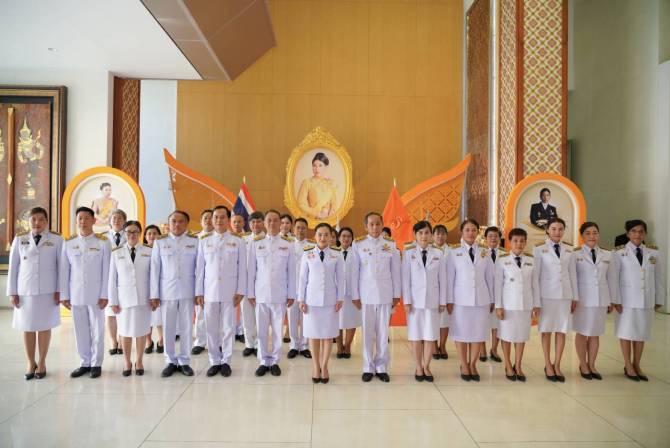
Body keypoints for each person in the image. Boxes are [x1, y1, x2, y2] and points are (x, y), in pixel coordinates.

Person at [7, 206, 63, 380]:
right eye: (33, 219)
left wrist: (60, 290)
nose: (37, 222)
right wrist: (12, 292)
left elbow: (61, 267)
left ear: (46, 221)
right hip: (25, 291)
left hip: (48, 291)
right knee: (27, 327)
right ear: (28, 221)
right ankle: (31, 362)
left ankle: (42, 362)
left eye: (40, 219)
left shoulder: (56, 239)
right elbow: (13, 268)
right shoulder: (20, 239)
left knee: (45, 326)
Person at [60, 206, 111, 379]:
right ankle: (85, 362)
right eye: (80, 218)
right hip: (76, 293)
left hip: (96, 294)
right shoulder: (69, 243)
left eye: (87, 218)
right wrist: (64, 295)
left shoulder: (103, 242)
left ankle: (96, 364)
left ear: (93, 220)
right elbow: (64, 271)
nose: (83, 221)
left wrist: (105, 294)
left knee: (98, 329)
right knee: (80, 330)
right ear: (76, 221)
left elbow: (107, 270)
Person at [195, 205, 246, 377]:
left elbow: (242, 268)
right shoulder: (204, 240)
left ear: (228, 219)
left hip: (230, 292)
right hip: (209, 291)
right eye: (215, 217)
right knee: (211, 328)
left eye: (222, 217)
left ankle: (226, 361)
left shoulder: (238, 241)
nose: (218, 220)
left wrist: (240, 290)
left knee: (228, 328)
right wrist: (199, 292)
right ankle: (214, 360)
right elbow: (200, 269)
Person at [612, 219, 665, 382]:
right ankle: (628, 365)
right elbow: (614, 279)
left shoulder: (654, 253)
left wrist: (659, 297)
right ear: (628, 234)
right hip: (626, 301)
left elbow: (658, 278)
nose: (637, 234)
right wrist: (616, 300)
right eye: (634, 231)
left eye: (641, 231)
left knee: (641, 333)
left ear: (645, 234)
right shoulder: (619, 253)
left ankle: (637, 364)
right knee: (626, 332)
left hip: (646, 300)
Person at [352, 212, 401, 383]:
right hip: (366, 295)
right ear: (365, 226)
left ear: (382, 224)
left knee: (382, 332)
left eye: (378, 224)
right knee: (367, 333)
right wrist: (355, 295)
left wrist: (396, 294)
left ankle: (381, 366)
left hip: (385, 294)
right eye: (371, 224)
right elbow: (354, 272)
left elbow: (396, 271)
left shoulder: (390, 244)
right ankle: (368, 367)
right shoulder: (358, 244)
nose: (375, 227)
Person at [247, 209, 296, 377]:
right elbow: (251, 271)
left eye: (276, 220)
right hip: (260, 294)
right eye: (269, 220)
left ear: (280, 223)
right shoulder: (256, 243)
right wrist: (250, 293)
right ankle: (263, 361)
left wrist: (291, 294)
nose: (272, 223)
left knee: (277, 330)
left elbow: (291, 272)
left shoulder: (288, 244)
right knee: (261, 330)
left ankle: (274, 361)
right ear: (264, 223)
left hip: (280, 294)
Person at [150, 210, 198, 377]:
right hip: (167, 291)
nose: (177, 224)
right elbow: (155, 269)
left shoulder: (195, 241)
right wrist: (154, 294)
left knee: (186, 327)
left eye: (180, 221)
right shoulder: (160, 242)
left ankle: (184, 360)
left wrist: (198, 292)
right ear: (168, 224)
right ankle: (170, 360)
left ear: (186, 223)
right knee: (168, 327)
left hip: (188, 290)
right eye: (173, 221)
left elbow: (199, 269)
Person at [446, 219, 494, 382]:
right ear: (462, 232)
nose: (471, 233)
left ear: (478, 232)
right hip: (460, 300)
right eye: (467, 230)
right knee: (461, 333)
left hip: (481, 299)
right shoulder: (454, 252)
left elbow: (490, 278)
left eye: (474, 230)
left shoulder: (485, 252)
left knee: (478, 333)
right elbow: (450, 278)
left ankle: (472, 364)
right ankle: (463, 364)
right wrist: (449, 300)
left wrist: (492, 299)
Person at [298, 223, 345, 383]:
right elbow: (302, 279)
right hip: (311, 301)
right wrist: (301, 299)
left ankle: (324, 366)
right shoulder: (307, 254)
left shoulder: (336, 254)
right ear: (315, 236)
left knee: (327, 335)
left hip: (330, 301)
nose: (323, 238)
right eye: (320, 234)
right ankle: (315, 366)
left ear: (331, 237)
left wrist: (340, 298)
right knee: (313, 335)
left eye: (326, 235)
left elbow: (341, 279)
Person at [534, 217, 578, 383]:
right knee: (546, 330)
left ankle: (557, 364)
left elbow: (572, 274)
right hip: (546, 296)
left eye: (560, 229)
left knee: (561, 330)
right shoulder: (539, 249)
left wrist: (575, 297)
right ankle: (548, 364)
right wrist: (536, 301)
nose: (557, 232)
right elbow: (536, 277)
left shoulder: (570, 249)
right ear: (547, 230)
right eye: (553, 229)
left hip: (565, 296)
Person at [402, 221, 447, 382]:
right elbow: (405, 279)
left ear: (431, 235)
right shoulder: (408, 253)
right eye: (420, 233)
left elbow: (443, 279)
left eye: (427, 232)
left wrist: (443, 301)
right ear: (415, 235)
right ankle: (418, 367)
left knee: (430, 335)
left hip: (432, 301)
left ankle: (426, 366)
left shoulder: (438, 253)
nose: (424, 236)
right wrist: (407, 301)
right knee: (415, 336)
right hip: (414, 302)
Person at [108, 221, 154, 376]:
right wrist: (113, 301)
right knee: (125, 331)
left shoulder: (149, 251)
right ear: (124, 233)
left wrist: (154, 297)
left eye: (135, 231)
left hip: (143, 298)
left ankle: (139, 361)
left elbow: (153, 277)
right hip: (124, 300)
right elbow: (112, 279)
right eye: (128, 232)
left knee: (142, 331)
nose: (132, 234)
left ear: (140, 233)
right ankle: (127, 362)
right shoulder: (116, 252)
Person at [494, 228, 540, 382]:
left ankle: (518, 365)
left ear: (525, 242)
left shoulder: (531, 260)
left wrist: (536, 305)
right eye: (515, 241)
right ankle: (508, 364)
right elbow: (498, 285)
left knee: (521, 336)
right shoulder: (502, 260)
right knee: (506, 336)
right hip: (508, 305)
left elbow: (535, 284)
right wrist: (498, 306)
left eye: (522, 241)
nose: (519, 244)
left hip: (525, 305)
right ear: (510, 242)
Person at [573, 222, 617, 380]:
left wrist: (612, 300)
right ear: (582, 236)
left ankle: (592, 364)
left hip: (601, 299)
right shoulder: (575, 254)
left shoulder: (608, 254)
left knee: (595, 333)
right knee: (582, 332)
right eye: (588, 233)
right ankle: (583, 364)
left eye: (595, 233)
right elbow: (572, 279)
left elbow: (611, 279)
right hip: (583, 300)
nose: (592, 236)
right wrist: (573, 298)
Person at [241, 211, 265, 356]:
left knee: (260, 317)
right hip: (245, 283)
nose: (256, 224)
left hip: (261, 284)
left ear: (263, 223)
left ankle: (258, 344)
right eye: (253, 222)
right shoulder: (242, 240)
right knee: (247, 315)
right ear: (249, 224)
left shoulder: (267, 240)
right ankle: (249, 344)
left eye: (258, 221)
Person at [288, 217, 311, 359]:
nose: (300, 230)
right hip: (291, 288)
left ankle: (304, 346)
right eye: (298, 228)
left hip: (307, 289)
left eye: (303, 228)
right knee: (292, 318)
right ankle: (293, 345)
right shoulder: (288, 245)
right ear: (293, 229)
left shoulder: (312, 246)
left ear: (306, 229)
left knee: (305, 318)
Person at [335, 227, 361, 358]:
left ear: (352, 239)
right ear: (339, 238)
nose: (346, 238)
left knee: (351, 320)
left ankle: (348, 346)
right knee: (337, 321)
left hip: (353, 294)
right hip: (337, 294)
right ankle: (339, 347)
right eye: (343, 236)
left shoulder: (357, 253)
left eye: (348, 236)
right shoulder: (333, 253)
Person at [481, 226, 504, 363]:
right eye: (490, 236)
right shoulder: (481, 253)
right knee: (482, 323)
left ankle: (494, 350)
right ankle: (482, 350)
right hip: (484, 295)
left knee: (497, 324)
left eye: (496, 236)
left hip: (500, 296)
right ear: (485, 238)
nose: (493, 238)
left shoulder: (505, 254)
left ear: (500, 238)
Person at [105, 209, 127, 356]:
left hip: (125, 278)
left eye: (120, 218)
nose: (117, 221)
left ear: (124, 221)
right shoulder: (103, 238)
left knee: (123, 311)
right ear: (110, 221)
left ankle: (121, 340)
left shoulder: (130, 235)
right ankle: (113, 341)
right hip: (108, 277)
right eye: (114, 218)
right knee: (110, 312)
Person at [192, 209, 213, 355]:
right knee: (199, 312)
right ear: (201, 221)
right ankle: (200, 341)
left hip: (214, 282)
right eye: (205, 218)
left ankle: (216, 342)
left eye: (211, 218)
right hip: (198, 280)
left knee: (216, 314)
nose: (208, 220)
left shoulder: (220, 237)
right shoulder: (194, 239)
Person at [297, 152, 337, 220]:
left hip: (328, 220)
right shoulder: (307, 182)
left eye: (320, 165)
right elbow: (301, 204)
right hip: (313, 219)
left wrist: (329, 215)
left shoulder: (330, 183)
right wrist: (317, 214)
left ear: (325, 167)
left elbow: (333, 204)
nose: (317, 169)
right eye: (314, 165)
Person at [143, 224, 164, 354]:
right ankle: (148, 341)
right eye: (149, 234)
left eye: (155, 233)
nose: (152, 236)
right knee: (147, 316)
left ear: (159, 235)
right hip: (145, 287)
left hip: (160, 286)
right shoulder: (141, 250)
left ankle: (161, 340)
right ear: (145, 236)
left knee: (159, 316)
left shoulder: (163, 248)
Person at [432, 224, 451, 360]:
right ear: (433, 236)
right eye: (437, 234)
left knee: (445, 320)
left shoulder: (453, 251)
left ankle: (442, 346)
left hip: (447, 290)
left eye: (443, 233)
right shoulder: (428, 250)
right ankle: (433, 346)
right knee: (432, 320)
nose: (440, 236)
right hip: (432, 290)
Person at [230, 213, 248, 342]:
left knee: (244, 307)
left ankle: (241, 331)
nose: (237, 224)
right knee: (230, 306)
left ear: (244, 223)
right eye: (234, 222)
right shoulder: (227, 237)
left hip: (244, 276)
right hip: (230, 277)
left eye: (239, 221)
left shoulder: (250, 238)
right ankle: (231, 331)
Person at [280, 213, 294, 343]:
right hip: (277, 280)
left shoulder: (294, 241)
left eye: (287, 223)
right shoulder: (272, 238)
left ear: (291, 225)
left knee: (290, 308)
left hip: (290, 279)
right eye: (282, 223)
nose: (285, 225)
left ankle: (289, 331)